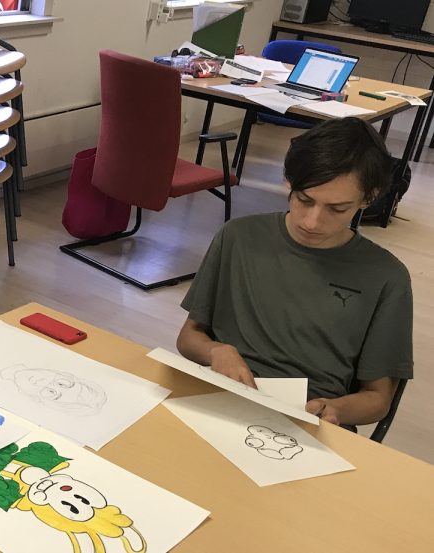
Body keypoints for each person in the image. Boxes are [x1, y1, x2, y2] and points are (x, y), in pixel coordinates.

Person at [176, 117, 412, 428]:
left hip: (308, 421)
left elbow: (378, 399)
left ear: (369, 198)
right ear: (289, 181)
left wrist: (334, 410)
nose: (312, 222)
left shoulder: (387, 277)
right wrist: (216, 350)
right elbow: (189, 337)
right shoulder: (238, 237)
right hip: (217, 399)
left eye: (337, 209)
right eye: (304, 199)